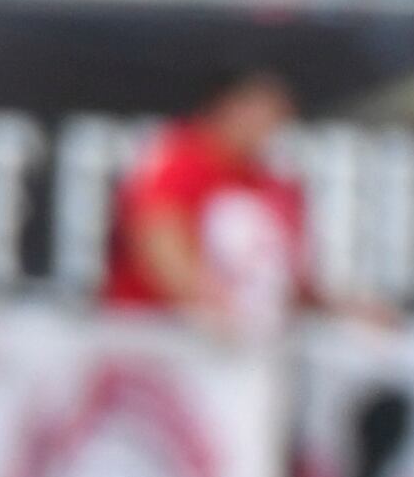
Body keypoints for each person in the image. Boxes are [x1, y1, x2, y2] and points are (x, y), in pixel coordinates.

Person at [100, 69, 336, 340]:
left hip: (250, 345)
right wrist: (208, 301)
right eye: (264, 111)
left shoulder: (276, 181)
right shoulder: (183, 158)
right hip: (165, 337)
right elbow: (157, 236)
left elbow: (290, 280)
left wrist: (335, 308)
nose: (272, 125)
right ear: (229, 107)